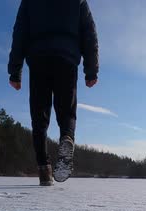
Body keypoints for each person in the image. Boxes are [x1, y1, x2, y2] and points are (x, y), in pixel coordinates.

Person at [8, 0, 99, 186]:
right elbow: (89, 33)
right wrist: (91, 70)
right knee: (66, 111)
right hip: (67, 58)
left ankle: (44, 169)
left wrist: (15, 71)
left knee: (39, 116)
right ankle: (67, 137)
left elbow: (20, 33)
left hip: (38, 59)